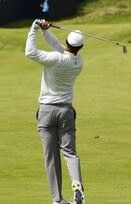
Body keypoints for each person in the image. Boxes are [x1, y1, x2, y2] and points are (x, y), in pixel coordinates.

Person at [25, 19, 86, 204]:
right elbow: (61, 49)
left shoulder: (55, 59)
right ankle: (77, 184)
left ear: (67, 42)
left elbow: (30, 52)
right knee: (70, 152)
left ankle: (58, 199)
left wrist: (34, 28)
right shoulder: (78, 62)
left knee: (51, 157)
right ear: (80, 47)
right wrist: (46, 32)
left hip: (46, 112)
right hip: (66, 111)